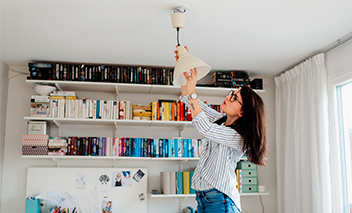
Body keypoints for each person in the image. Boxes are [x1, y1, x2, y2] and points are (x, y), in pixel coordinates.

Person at [175, 48, 268, 213]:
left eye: (235, 97)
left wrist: (193, 91)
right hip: (205, 200)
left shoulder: (239, 137)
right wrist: (183, 66)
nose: (228, 96)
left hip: (221, 201)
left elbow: (204, 127)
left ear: (243, 112)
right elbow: (188, 100)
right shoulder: (220, 120)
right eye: (232, 92)